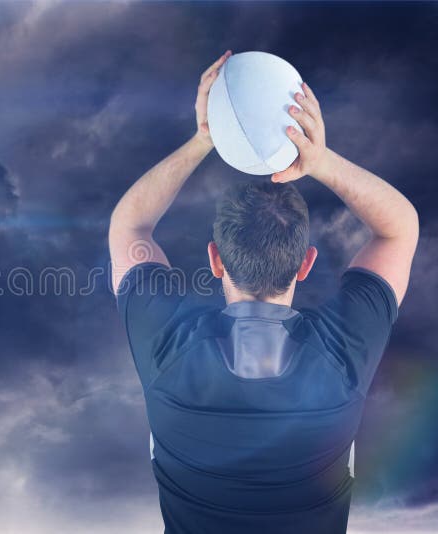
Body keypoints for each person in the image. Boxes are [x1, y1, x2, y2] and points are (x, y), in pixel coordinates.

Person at [108, 50, 419, 533]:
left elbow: (129, 226)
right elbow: (400, 228)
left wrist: (202, 139)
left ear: (215, 259)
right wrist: (320, 161)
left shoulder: (169, 351)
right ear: (305, 264)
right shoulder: (342, 359)